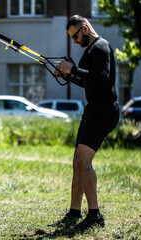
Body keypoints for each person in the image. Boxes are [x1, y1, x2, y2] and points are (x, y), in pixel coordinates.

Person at [48, 15, 119, 232]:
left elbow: (102, 77)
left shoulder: (101, 47)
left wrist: (73, 70)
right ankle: (74, 213)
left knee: (83, 160)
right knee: (77, 162)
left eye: (76, 36)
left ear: (85, 28)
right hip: (93, 109)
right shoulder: (90, 50)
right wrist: (68, 76)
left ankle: (95, 215)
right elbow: (89, 80)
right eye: (72, 37)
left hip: (104, 110)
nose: (74, 41)